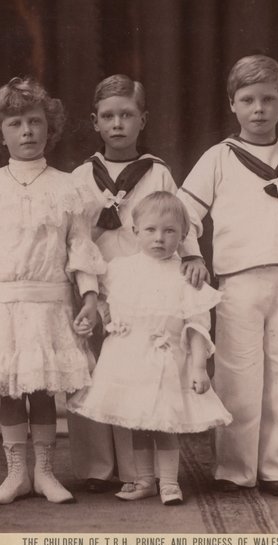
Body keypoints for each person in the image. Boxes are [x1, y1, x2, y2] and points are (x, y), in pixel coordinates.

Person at [177, 55, 278, 497]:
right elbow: (182, 213)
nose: (259, 109)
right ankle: (235, 468)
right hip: (238, 284)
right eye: (248, 100)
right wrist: (192, 254)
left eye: (269, 99)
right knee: (237, 374)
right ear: (232, 105)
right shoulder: (219, 158)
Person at [0, 77, 105, 505]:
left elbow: (81, 246)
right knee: (9, 389)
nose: (27, 132)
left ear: (49, 127)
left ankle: (44, 473)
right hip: (0, 303)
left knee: (42, 390)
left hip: (48, 301)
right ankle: (16, 474)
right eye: (16, 124)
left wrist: (90, 297)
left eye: (35, 122)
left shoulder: (67, 187)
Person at [68, 192, 232, 505]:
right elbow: (108, 306)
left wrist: (198, 366)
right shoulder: (119, 269)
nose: (159, 238)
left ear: (183, 236)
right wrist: (96, 321)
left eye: (170, 231)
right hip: (128, 358)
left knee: (164, 423)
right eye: (151, 230)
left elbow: (197, 325)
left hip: (166, 359)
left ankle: (169, 482)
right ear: (135, 232)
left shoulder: (185, 277)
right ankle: (144, 479)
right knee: (138, 423)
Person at [67, 74, 180, 493]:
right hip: (93, 285)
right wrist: (86, 289)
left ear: (142, 119)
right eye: (108, 116)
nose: (118, 124)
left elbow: (177, 225)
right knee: (93, 368)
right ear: (95, 122)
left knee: (134, 371)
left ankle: (138, 471)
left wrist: (188, 265)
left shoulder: (157, 173)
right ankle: (96, 466)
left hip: (142, 289)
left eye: (127, 115)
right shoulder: (80, 177)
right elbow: (75, 235)